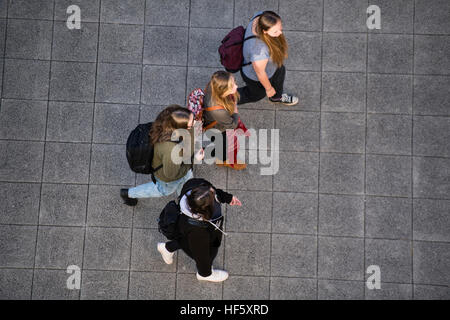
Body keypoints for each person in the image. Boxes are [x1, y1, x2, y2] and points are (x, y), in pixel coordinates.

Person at [157, 178, 242, 282]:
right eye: (212, 196)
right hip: (203, 234)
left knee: (186, 241)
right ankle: (205, 275)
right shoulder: (197, 231)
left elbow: (215, 193)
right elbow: (201, 256)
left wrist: (228, 198)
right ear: (205, 210)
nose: (212, 189)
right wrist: (204, 271)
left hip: (196, 232)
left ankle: (167, 248)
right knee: (208, 254)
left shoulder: (195, 186)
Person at [120, 105, 204, 206]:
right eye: (191, 124)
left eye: (193, 118)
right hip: (169, 178)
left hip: (181, 164)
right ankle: (129, 194)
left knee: (187, 184)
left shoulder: (166, 123)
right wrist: (194, 160)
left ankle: (186, 199)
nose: (195, 123)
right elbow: (171, 175)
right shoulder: (171, 149)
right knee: (164, 190)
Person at [238, 10, 298, 106]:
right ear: (264, 31)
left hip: (272, 66)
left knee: (280, 71)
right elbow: (260, 73)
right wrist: (269, 89)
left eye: (280, 28)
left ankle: (276, 97)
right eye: (275, 31)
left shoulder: (260, 17)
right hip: (254, 76)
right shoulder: (259, 51)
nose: (280, 33)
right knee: (256, 95)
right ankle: (225, 100)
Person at [203, 70, 248, 170]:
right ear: (222, 90)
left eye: (234, 82)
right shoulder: (219, 111)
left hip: (211, 120)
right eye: (231, 86)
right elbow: (232, 125)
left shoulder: (212, 85)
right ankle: (222, 160)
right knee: (223, 144)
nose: (236, 86)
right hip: (218, 128)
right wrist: (235, 110)